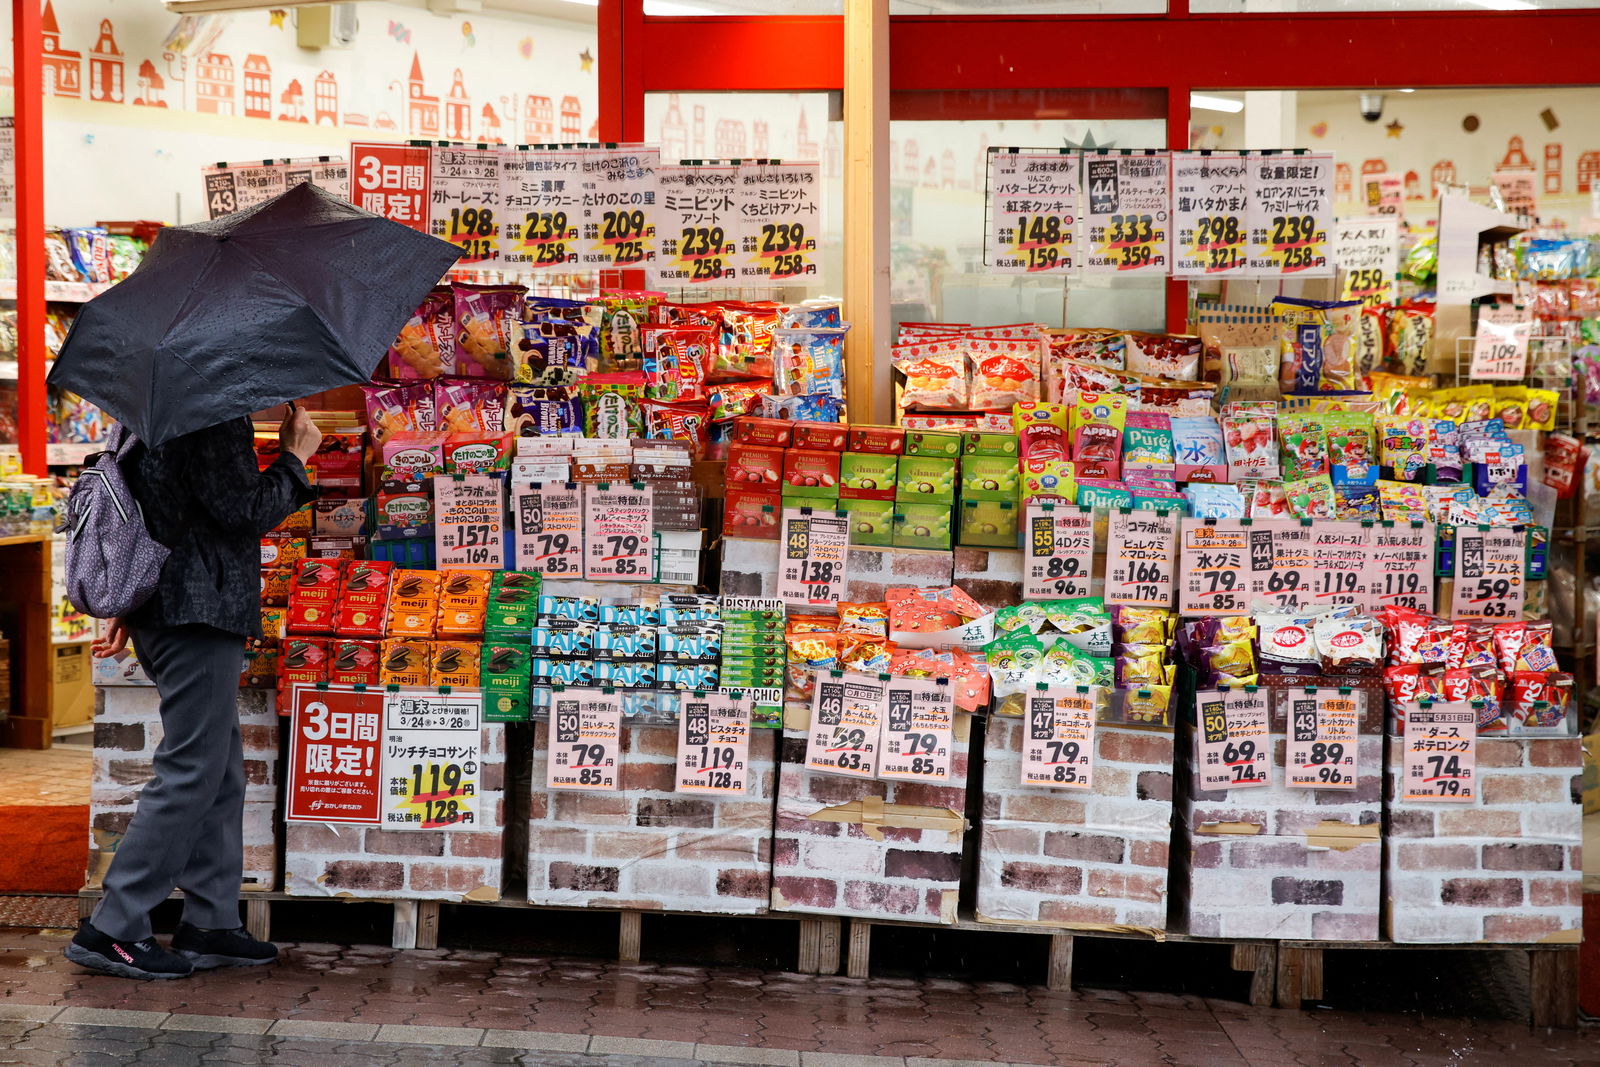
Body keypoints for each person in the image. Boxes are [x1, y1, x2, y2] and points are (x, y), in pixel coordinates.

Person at [68, 406, 322, 980]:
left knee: (220, 766)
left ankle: (210, 921)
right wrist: (294, 458)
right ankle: (114, 925)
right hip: (196, 612)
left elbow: (158, 509)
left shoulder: (150, 411)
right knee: (192, 769)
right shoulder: (210, 417)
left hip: (169, 608)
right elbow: (244, 511)